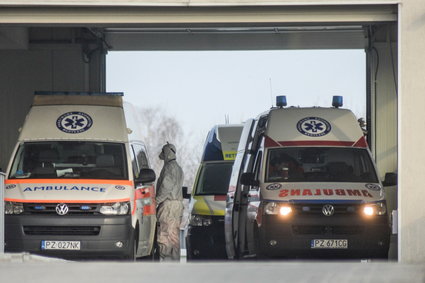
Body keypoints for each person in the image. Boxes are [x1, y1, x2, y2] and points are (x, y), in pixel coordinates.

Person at [155, 142, 184, 261]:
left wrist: (156, 200)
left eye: (163, 151)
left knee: (164, 234)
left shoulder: (169, 167)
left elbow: (166, 186)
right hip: (177, 204)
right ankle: (174, 259)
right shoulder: (178, 168)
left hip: (168, 205)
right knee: (174, 235)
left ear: (167, 152)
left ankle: (166, 260)